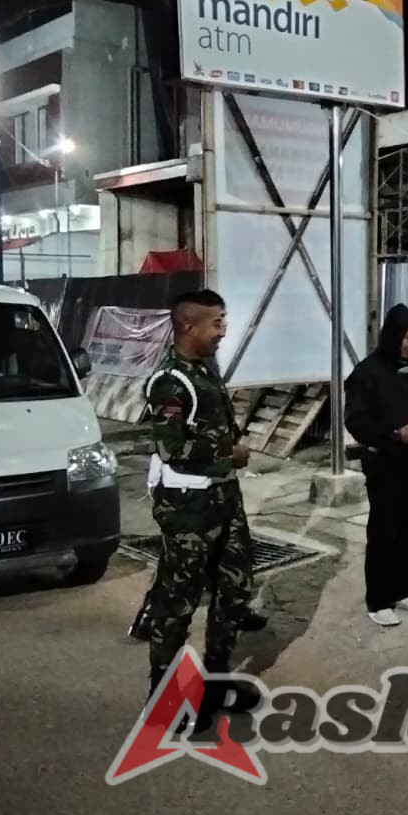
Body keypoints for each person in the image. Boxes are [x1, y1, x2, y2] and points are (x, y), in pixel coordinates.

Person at [142, 289, 256, 702]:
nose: (223, 330)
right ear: (189, 325)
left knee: (235, 590)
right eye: (217, 322)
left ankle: (216, 682)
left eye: (224, 321)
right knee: (178, 603)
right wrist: (230, 452)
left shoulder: (205, 371)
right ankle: (165, 695)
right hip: (188, 509)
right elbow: (171, 449)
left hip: (225, 500)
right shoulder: (170, 382)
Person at [345, 303, 408, 626]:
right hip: (382, 461)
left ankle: (402, 590)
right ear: (392, 336)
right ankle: (378, 600)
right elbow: (356, 421)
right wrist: (394, 433)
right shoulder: (367, 372)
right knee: (384, 529)